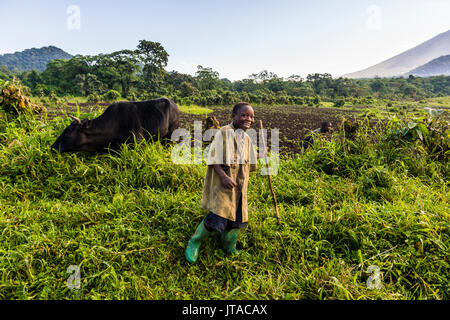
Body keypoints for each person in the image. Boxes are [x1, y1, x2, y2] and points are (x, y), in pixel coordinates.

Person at [185, 102, 263, 263]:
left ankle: (229, 247)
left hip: (240, 187)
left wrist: (261, 154)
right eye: (244, 115)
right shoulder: (225, 132)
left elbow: (250, 162)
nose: (248, 119)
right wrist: (223, 176)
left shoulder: (246, 138)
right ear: (233, 116)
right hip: (223, 184)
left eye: (251, 116)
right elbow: (213, 158)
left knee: (237, 220)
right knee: (217, 216)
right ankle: (195, 242)